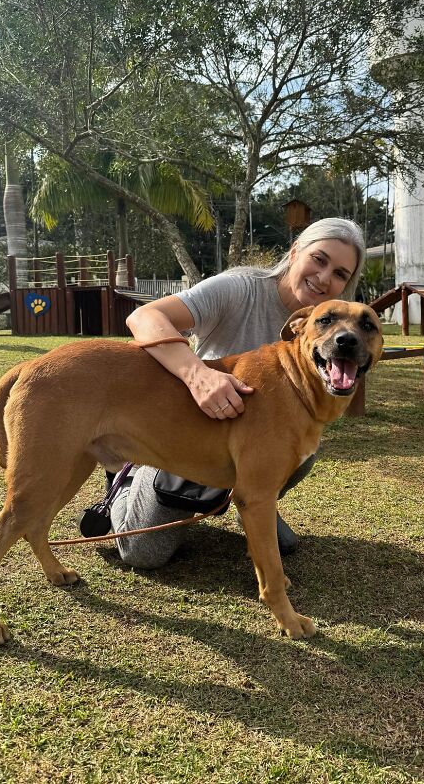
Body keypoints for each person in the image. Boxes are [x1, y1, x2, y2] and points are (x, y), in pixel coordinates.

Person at [107, 217, 366, 569]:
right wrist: (197, 375)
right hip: (185, 435)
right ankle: (124, 478)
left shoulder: (327, 328)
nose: (324, 278)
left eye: (340, 274)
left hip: (250, 445)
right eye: (319, 259)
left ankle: (253, 501)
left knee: (302, 449)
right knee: (143, 554)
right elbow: (144, 316)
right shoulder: (239, 288)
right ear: (294, 252)